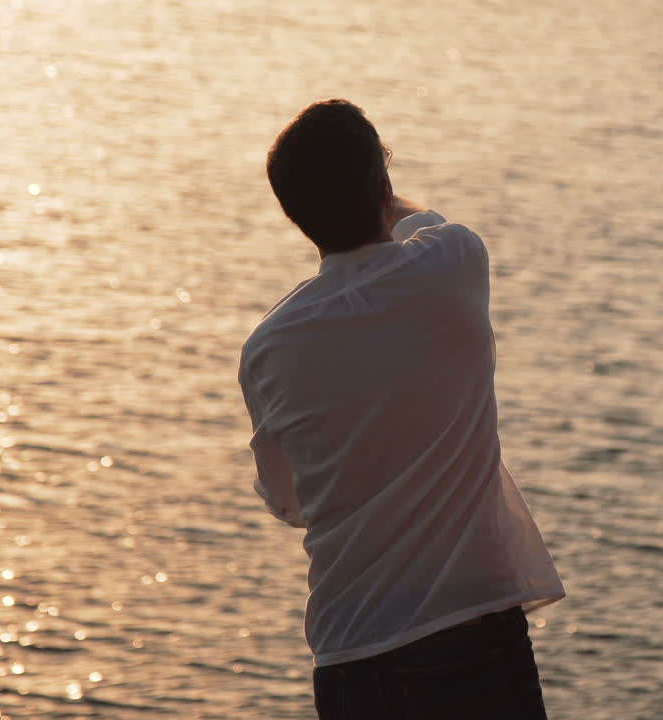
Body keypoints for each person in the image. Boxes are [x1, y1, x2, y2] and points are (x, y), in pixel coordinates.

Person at [238, 99, 564, 719]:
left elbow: (289, 504)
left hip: (354, 650)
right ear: (383, 186)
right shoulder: (454, 264)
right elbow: (421, 222)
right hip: (474, 630)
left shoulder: (268, 348)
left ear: (294, 216)